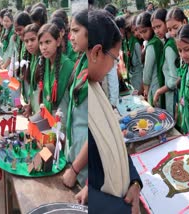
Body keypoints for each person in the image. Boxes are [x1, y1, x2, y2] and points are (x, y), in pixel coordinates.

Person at [88, 10, 142, 214]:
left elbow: (116, 143)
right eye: (113, 57)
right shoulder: (84, 95)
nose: (114, 65)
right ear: (95, 53)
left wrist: (135, 182)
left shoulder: (96, 89)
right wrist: (123, 209)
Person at [62, 9, 88, 190]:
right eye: (71, 31)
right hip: (75, 156)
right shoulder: (82, 62)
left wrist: (76, 169)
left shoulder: (93, 70)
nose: (71, 36)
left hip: (84, 168)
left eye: (76, 31)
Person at [36, 23, 74, 123]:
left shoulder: (68, 66)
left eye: (48, 42)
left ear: (58, 42)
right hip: (48, 117)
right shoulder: (45, 63)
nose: (43, 47)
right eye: (41, 43)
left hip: (62, 119)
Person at [151, 8, 179, 118]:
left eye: (159, 26)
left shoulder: (169, 47)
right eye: (154, 28)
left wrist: (159, 91)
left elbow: (174, 79)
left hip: (173, 96)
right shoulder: (170, 42)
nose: (157, 31)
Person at [136, 11, 164, 107]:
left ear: (151, 28)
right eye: (140, 32)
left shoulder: (153, 44)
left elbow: (147, 71)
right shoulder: (152, 42)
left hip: (154, 84)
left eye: (145, 31)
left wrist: (146, 88)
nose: (143, 35)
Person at [21, 23, 41, 117]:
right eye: (26, 41)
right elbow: (33, 87)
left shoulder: (45, 59)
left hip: (42, 111)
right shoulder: (33, 58)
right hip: (36, 109)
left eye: (32, 40)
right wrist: (30, 104)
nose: (29, 44)